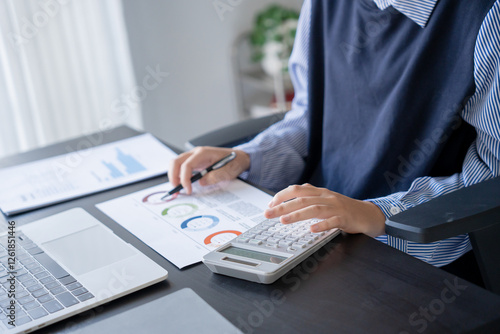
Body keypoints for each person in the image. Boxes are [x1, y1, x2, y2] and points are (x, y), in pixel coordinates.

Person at [169, 0, 500, 268]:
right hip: (315, 232)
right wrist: (247, 158)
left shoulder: (487, 16)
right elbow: (309, 116)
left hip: (411, 258)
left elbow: (491, 180)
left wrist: (374, 214)